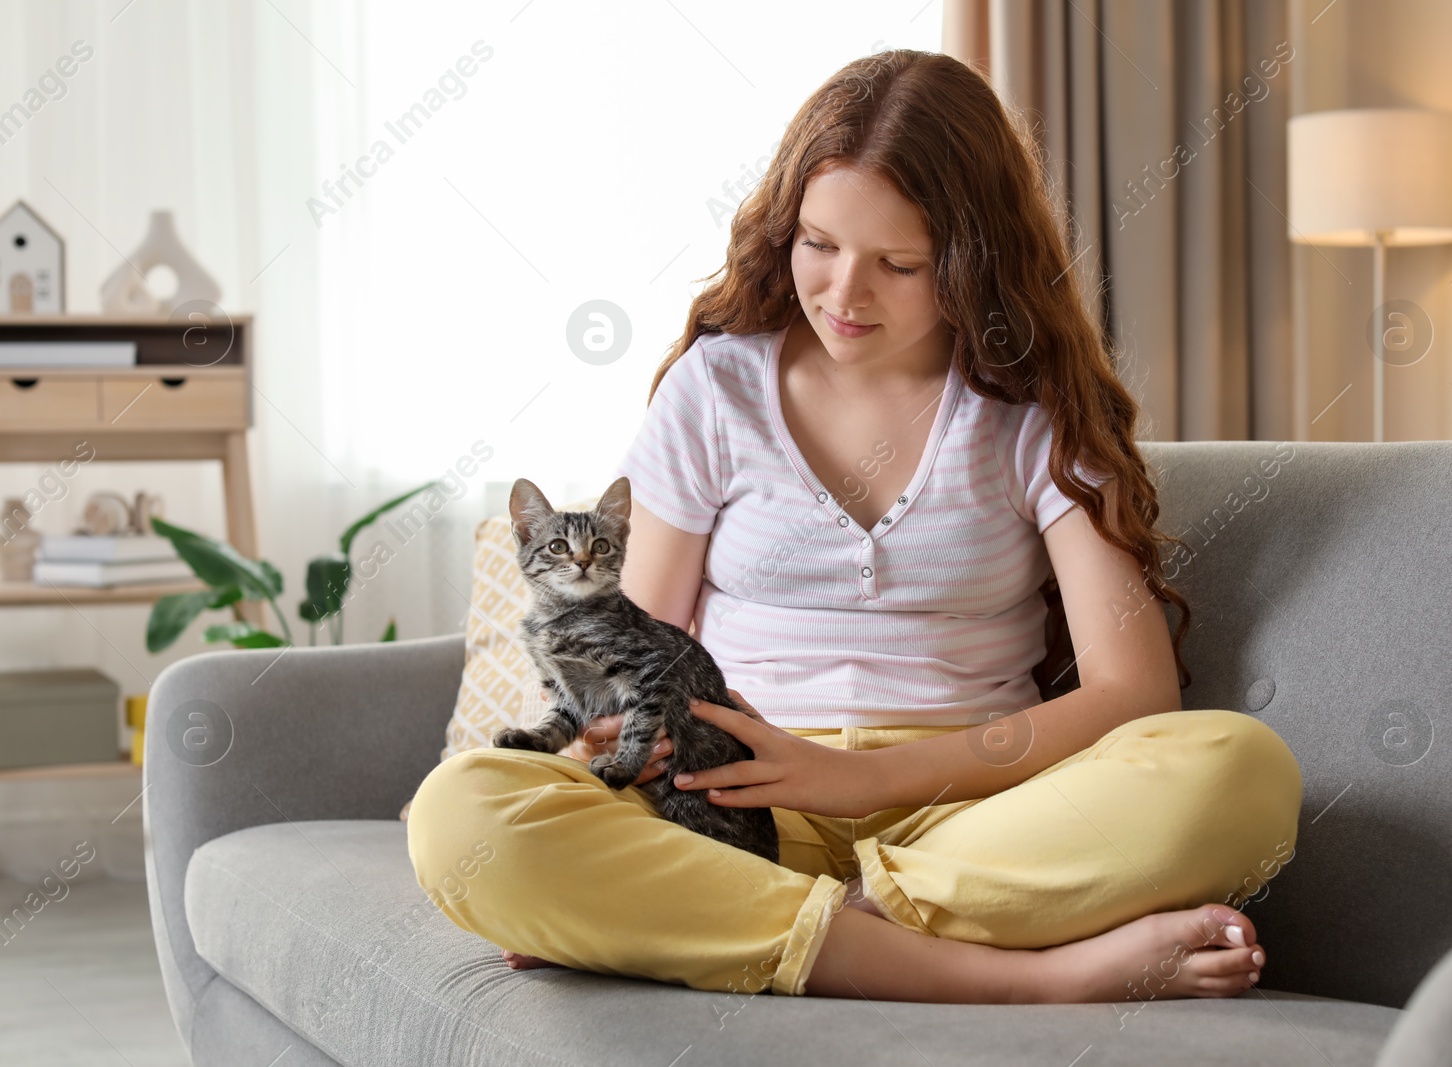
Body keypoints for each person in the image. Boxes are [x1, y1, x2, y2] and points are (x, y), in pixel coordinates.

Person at [407, 48, 1302, 1005]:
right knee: (462, 815)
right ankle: (1034, 978)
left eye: (898, 264)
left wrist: (854, 781)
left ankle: (773, 926)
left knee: (1240, 774)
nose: (843, 294)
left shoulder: (1034, 407)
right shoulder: (717, 388)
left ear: (971, 259)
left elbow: (1133, 690)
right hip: (730, 797)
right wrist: (627, 750)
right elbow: (624, 653)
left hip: (971, 811)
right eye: (819, 245)